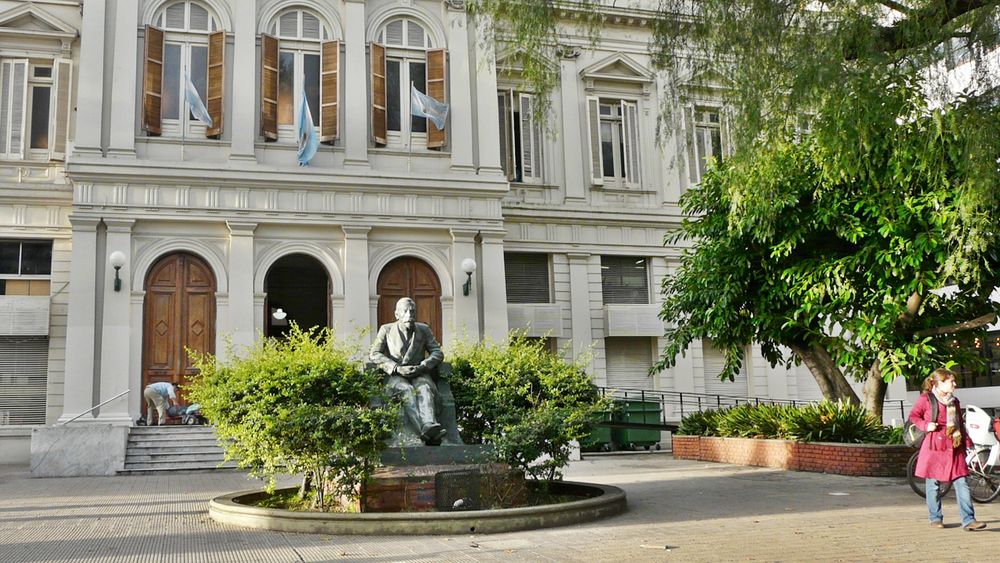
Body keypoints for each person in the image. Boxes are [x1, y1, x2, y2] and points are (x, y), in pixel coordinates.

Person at [907, 367, 986, 531]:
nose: (955, 384)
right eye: (951, 381)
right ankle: (935, 518)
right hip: (934, 446)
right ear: (939, 383)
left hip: (954, 446)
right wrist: (925, 425)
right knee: (933, 485)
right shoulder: (926, 399)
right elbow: (913, 416)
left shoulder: (954, 401)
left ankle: (969, 520)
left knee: (962, 482)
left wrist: (968, 444)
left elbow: (959, 424)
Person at [369, 297, 446, 445]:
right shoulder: (386, 329)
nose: (409, 314)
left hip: (419, 374)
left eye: (412, 311)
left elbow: (437, 352)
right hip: (397, 377)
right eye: (405, 311)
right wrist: (396, 368)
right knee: (406, 390)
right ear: (397, 314)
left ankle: (429, 424)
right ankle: (424, 430)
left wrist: (423, 366)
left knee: (424, 388)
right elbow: (374, 354)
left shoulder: (423, 329)